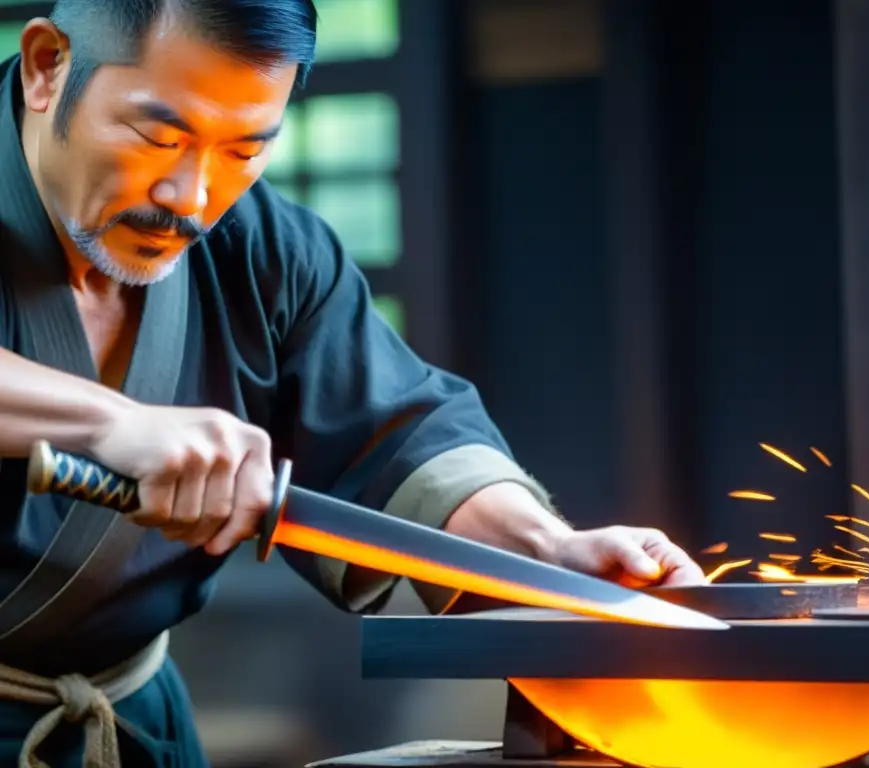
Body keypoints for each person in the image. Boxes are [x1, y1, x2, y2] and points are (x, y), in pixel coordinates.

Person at [0, 0, 707, 765]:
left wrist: (546, 554)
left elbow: (396, 434)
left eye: (243, 150)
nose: (190, 197)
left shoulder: (268, 252)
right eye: (158, 135)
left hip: (131, 725)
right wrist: (111, 425)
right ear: (48, 66)